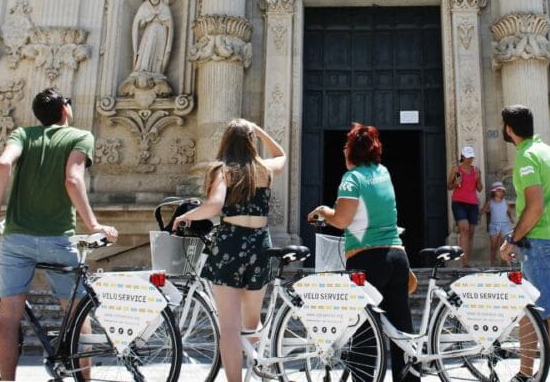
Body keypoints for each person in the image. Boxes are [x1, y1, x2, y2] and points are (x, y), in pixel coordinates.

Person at [0, 88, 118, 381]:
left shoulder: (23, 135)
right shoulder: (80, 137)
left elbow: (2, 164)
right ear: (65, 109)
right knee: (76, 314)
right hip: (57, 238)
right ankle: (83, 379)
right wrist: (93, 225)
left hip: (16, 239)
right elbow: (72, 179)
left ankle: (7, 379)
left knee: (9, 315)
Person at [173, 119, 285, 382]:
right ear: (250, 141)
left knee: (230, 329)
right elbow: (281, 154)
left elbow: (213, 206)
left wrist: (184, 216)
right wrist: (259, 131)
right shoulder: (264, 170)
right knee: (251, 321)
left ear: (225, 141)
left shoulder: (222, 170)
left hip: (230, 246)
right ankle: (255, 372)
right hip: (260, 245)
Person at [308, 123, 418, 382]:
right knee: (401, 332)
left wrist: (324, 211)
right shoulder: (384, 171)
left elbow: (343, 220)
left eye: (346, 146)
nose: (344, 150)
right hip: (397, 255)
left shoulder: (351, 178)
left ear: (352, 152)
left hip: (367, 260)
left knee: (365, 334)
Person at [497, 105, 550, 382]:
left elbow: (535, 206)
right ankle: (525, 372)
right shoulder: (547, 152)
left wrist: (512, 238)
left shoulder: (526, 157)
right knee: (528, 308)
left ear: (508, 129)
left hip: (538, 240)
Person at [447, 145, 483, 267]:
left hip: (473, 203)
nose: (470, 159)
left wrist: (478, 179)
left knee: (471, 232)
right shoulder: (456, 169)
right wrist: (456, 183)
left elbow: (480, 188)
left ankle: (466, 258)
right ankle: (464, 262)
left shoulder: (476, 170)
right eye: (468, 157)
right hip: (458, 202)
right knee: (464, 229)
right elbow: (449, 186)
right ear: (462, 156)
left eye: (471, 157)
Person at [481, 181, 515, 265]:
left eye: (501, 190)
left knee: (504, 245)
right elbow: (483, 210)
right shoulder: (490, 202)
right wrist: (480, 213)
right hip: (494, 225)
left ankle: (504, 262)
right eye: (498, 190)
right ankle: (493, 262)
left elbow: (509, 211)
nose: (500, 192)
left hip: (504, 225)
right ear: (494, 192)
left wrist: (511, 219)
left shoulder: (505, 202)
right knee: (493, 245)